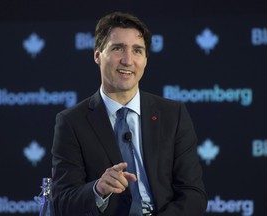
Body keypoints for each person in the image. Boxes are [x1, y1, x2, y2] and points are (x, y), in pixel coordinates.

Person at [51, 11, 207, 216]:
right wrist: (98, 189)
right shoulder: (71, 122)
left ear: (145, 59)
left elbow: (193, 194)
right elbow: (62, 202)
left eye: (137, 51)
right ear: (97, 55)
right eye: (118, 49)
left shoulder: (173, 115)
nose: (128, 60)